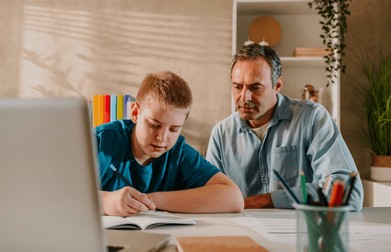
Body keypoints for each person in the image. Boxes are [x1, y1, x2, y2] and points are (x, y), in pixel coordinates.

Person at [205, 43, 363, 211]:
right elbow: (210, 196)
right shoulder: (221, 134)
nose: (244, 97)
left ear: (278, 85)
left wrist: (264, 201)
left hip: (301, 231)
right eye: (237, 87)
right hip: (242, 234)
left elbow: (348, 192)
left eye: (255, 87)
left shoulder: (312, 118)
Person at [95, 71, 244, 216]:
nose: (162, 137)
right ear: (135, 113)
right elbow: (70, 193)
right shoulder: (99, 142)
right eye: (154, 125)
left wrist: (150, 200)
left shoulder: (179, 152)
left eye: (174, 129)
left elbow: (234, 198)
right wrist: (106, 201)